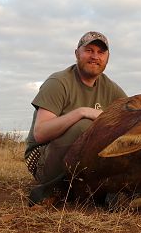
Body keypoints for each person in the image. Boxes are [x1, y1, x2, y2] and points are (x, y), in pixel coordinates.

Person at [25, 31, 127, 186]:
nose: (95, 56)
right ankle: (56, 188)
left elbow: (130, 118)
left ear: (107, 58)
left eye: (101, 52)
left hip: (83, 165)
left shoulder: (111, 88)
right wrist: (82, 112)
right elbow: (40, 133)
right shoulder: (58, 82)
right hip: (42, 159)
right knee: (84, 125)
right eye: (89, 50)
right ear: (77, 54)